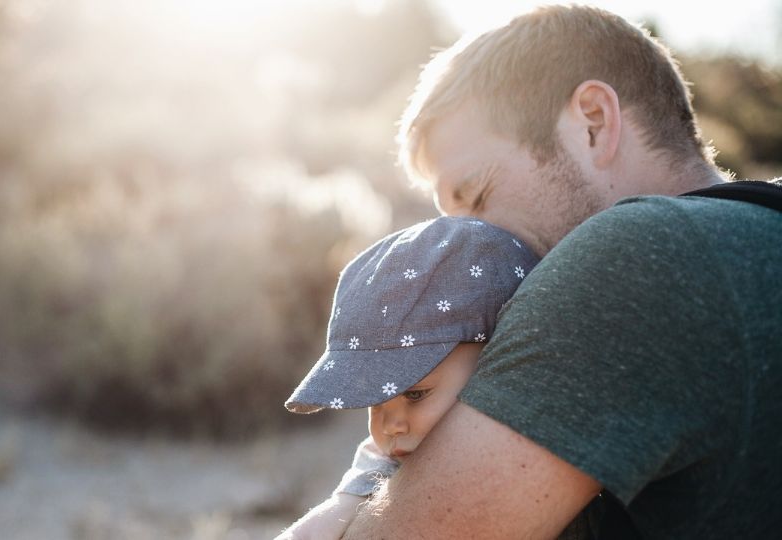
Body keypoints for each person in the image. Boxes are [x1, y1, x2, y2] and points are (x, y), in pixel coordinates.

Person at [337, 4, 782, 539]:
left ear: (593, 122)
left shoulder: (634, 256)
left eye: (476, 196)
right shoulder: (757, 231)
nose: (463, 248)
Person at [275, 216, 565, 539]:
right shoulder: (387, 462)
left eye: (415, 394)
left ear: (496, 357)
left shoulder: (545, 440)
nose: (389, 426)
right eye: (374, 402)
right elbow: (324, 523)